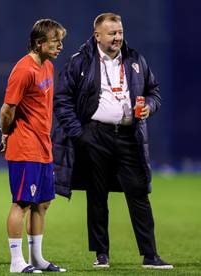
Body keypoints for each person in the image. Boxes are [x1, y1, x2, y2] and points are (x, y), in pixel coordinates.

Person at [52, 13, 173, 269]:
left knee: (139, 193)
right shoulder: (80, 61)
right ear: (97, 36)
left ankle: (150, 255)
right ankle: (101, 254)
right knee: (97, 195)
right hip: (95, 136)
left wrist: (149, 107)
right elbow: (61, 99)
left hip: (129, 136)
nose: (118, 37)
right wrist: (79, 134)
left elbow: (154, 92)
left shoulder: (136, 59)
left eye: (120, 32)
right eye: (112, 33)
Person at [0, 19, 67, 273]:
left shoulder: (48, 66)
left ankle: (37, 259)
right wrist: (6, 133)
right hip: (25, 147)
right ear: (39, 43)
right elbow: (7, 109)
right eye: (55, 41)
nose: (60, 46)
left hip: (43, 146)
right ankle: (17, 262)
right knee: (22, 203)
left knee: (43, 203)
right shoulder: (23, 70)